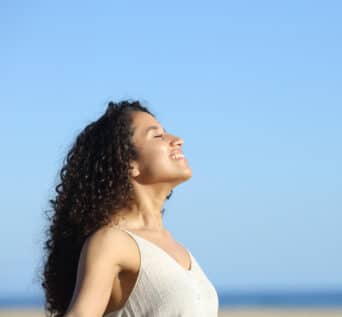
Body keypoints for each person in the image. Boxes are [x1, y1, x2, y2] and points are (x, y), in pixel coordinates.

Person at [41, 100, 219, 316]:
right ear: (128, 164)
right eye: (158, 136)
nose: (178, 140)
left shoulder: (177, 247)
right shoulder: (111, 242)